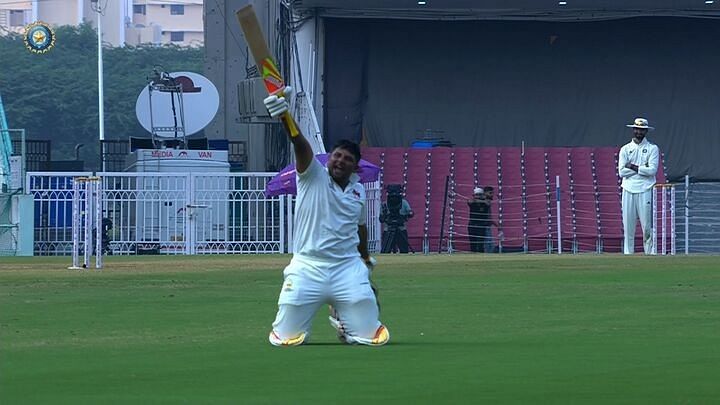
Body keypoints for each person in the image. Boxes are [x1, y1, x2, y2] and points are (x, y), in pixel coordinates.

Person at [263, 88, 389, 346]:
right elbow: (300, 143)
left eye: (347, 159)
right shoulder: (313, 177)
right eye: (337, 156)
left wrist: (365, 259)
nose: (340, 161)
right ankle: (327, 313)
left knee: (371, 337)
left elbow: (360, 227)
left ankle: (345, 320)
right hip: (308, 266)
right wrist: (285, 115)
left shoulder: (358, 191)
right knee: (286, 339)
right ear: (329, 158)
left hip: (347, 267)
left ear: (356, 166)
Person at [618, 117, 660, 255]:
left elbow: (652, 171)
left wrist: (633, 166)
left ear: (646, 131)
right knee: (628, 227)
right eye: (636, 129)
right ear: (633, 130)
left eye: (642, 130)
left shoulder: (652, 148)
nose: (638, 132)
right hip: (628, 188)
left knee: (647, 226)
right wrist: (642, 168)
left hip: (645, 189)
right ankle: (628, 255)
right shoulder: (625, 149)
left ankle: (650, 254)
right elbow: (622, 171)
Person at [379, 185, 414, 253]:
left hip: (399, 229)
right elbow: (381, 218)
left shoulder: (403, 203)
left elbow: (410, 213)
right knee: (387, 251)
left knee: (403, 250)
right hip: (390, 229)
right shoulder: (385, 204)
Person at [467, 186, 501, 253]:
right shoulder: (473, 202)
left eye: (480, 194)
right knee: (473, 244)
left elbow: (487, 203)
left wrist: (480, 199)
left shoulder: (486, 202)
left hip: (481, 226)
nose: (478, 196)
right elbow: (470, 201)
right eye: (477, 194)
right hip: (472, 225)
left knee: (481, 245)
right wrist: (480, 199)